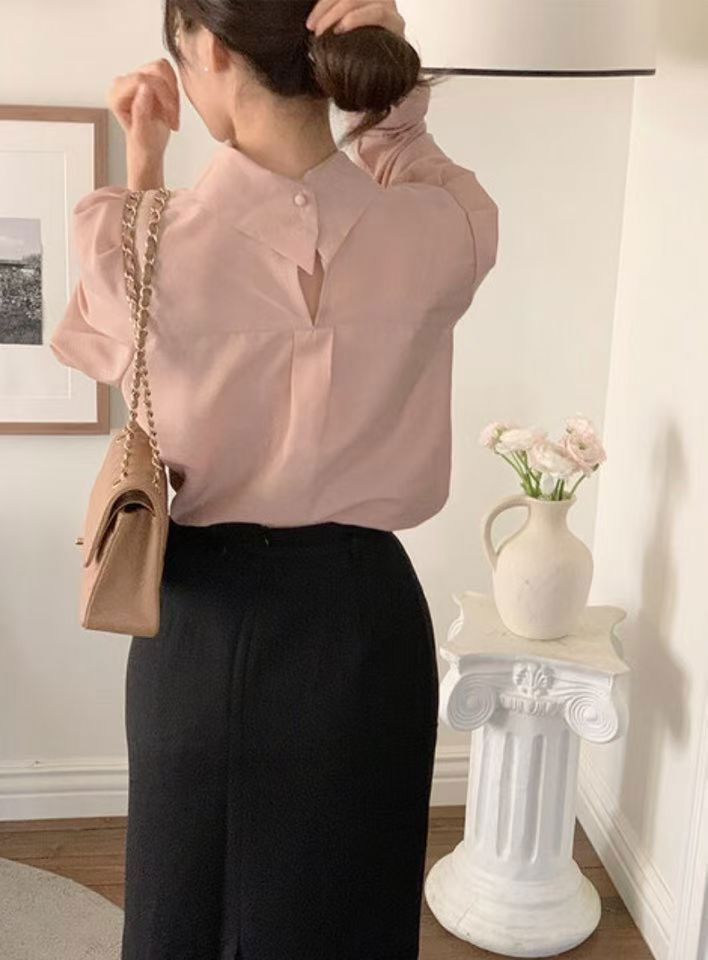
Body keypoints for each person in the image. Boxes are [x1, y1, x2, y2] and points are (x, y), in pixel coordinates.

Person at [49, 1, 499, 957]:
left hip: (201, 621)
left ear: (209, 49)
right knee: (352, 908)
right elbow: (411, 160)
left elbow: (111, 345)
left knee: (187, 909)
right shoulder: (445, 227)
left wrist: (144, 160)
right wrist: (387, 85)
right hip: (368, 619)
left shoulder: (132, 237)